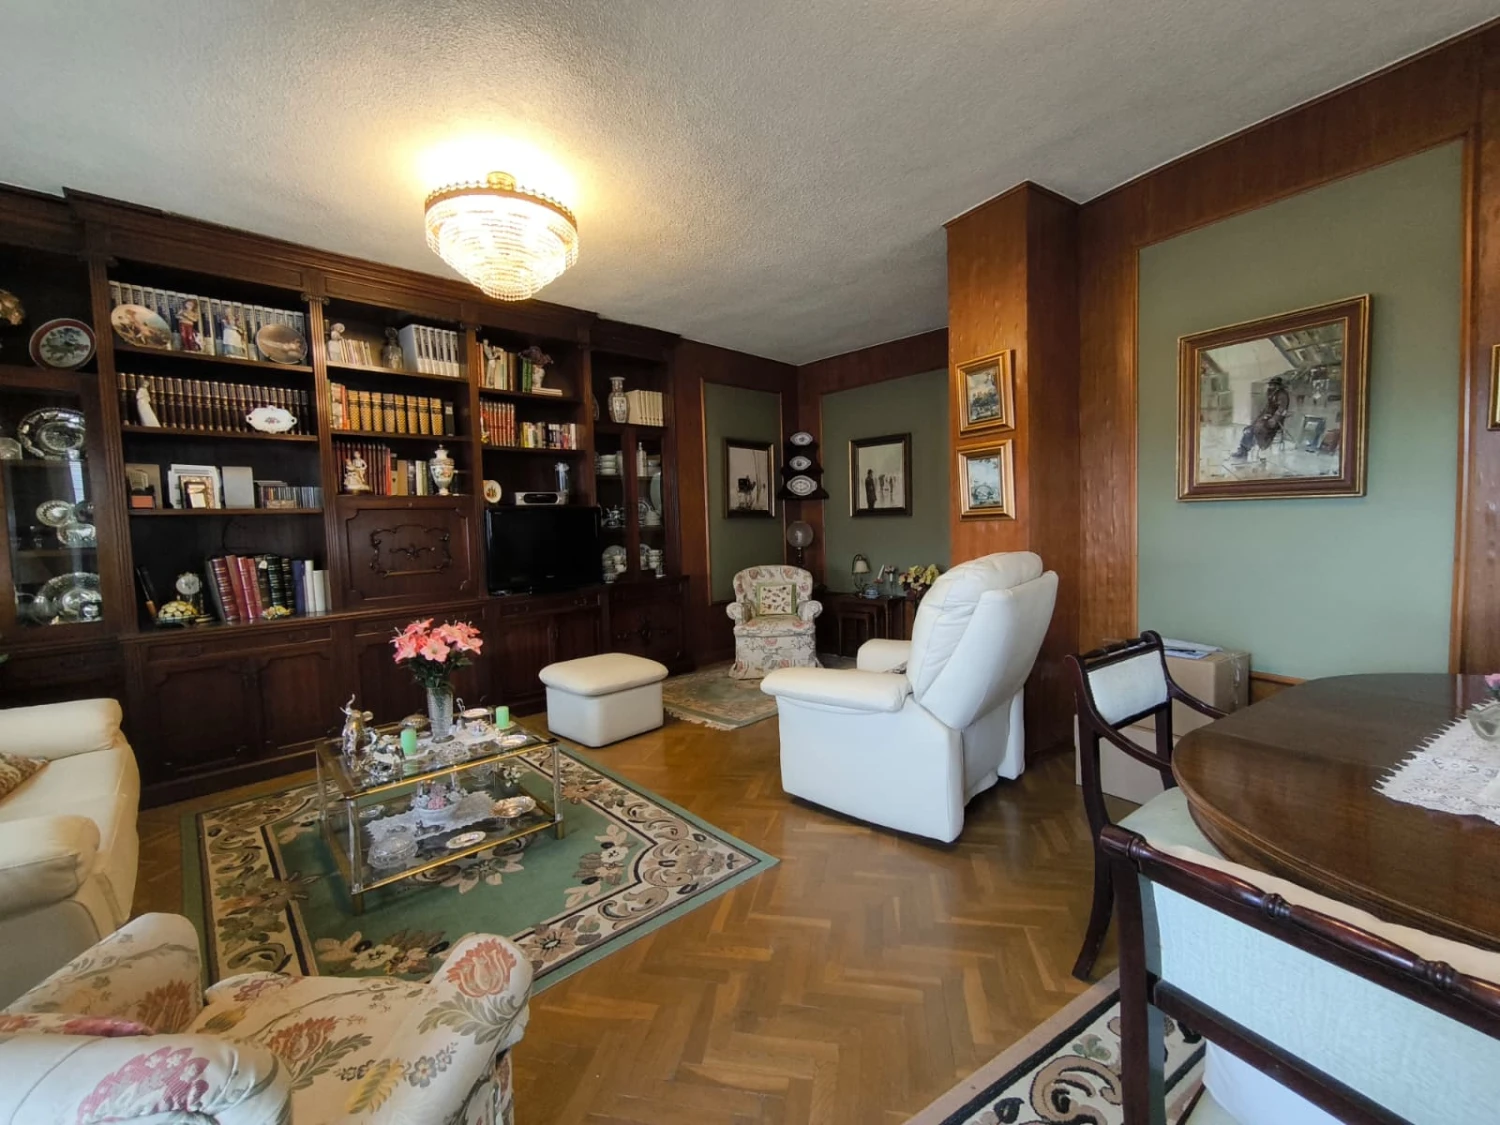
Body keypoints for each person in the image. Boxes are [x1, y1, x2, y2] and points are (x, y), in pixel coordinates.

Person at [1231, 374, 1292, 460]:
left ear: (1278, 386)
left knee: (1259, 429)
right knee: (1249, 429)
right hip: (1266, 418)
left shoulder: (1282, 395)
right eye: (1270, 385)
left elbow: (1282, 409)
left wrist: (1274, 419)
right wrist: (1258, 418)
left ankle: (1262, 449)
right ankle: (1243, 449)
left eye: (1273, 385)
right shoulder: (1271, 393)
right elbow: (1267, 408)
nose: (1270, 386)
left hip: (1275, 421)